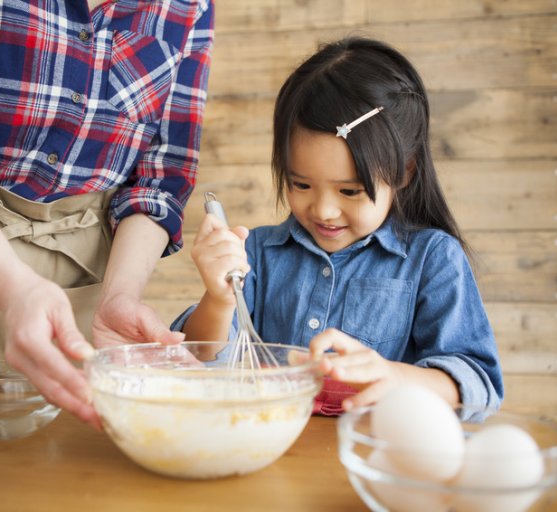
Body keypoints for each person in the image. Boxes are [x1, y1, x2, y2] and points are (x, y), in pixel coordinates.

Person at [0, 0, 214, 428]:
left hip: (94, 287)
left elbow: (160, 177)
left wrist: (120, 297)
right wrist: (12, 286)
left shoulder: (191, 7)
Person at [173, 36, 503, 415]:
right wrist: (218, 300)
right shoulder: (257, 255)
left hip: (377, 454)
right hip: (273, 454)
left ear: (405, 171)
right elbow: (197, 362)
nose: (324, 210)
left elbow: (478, 381)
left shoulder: (431, 259)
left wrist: (396, 377)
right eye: (301, 184)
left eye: (350, 190)